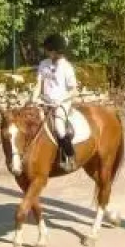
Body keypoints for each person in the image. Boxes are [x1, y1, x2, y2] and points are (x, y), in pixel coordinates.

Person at [31, 33, 78, 171]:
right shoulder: (43, 64)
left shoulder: (67, 67)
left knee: (58, 126)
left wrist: (60, 100)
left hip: (62, 102)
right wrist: (33, 99)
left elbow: (74, 91)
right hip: (45, 100)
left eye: (48, 50)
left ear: (56, 51)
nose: (46, 52)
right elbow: (38, 84)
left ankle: (70, 155)